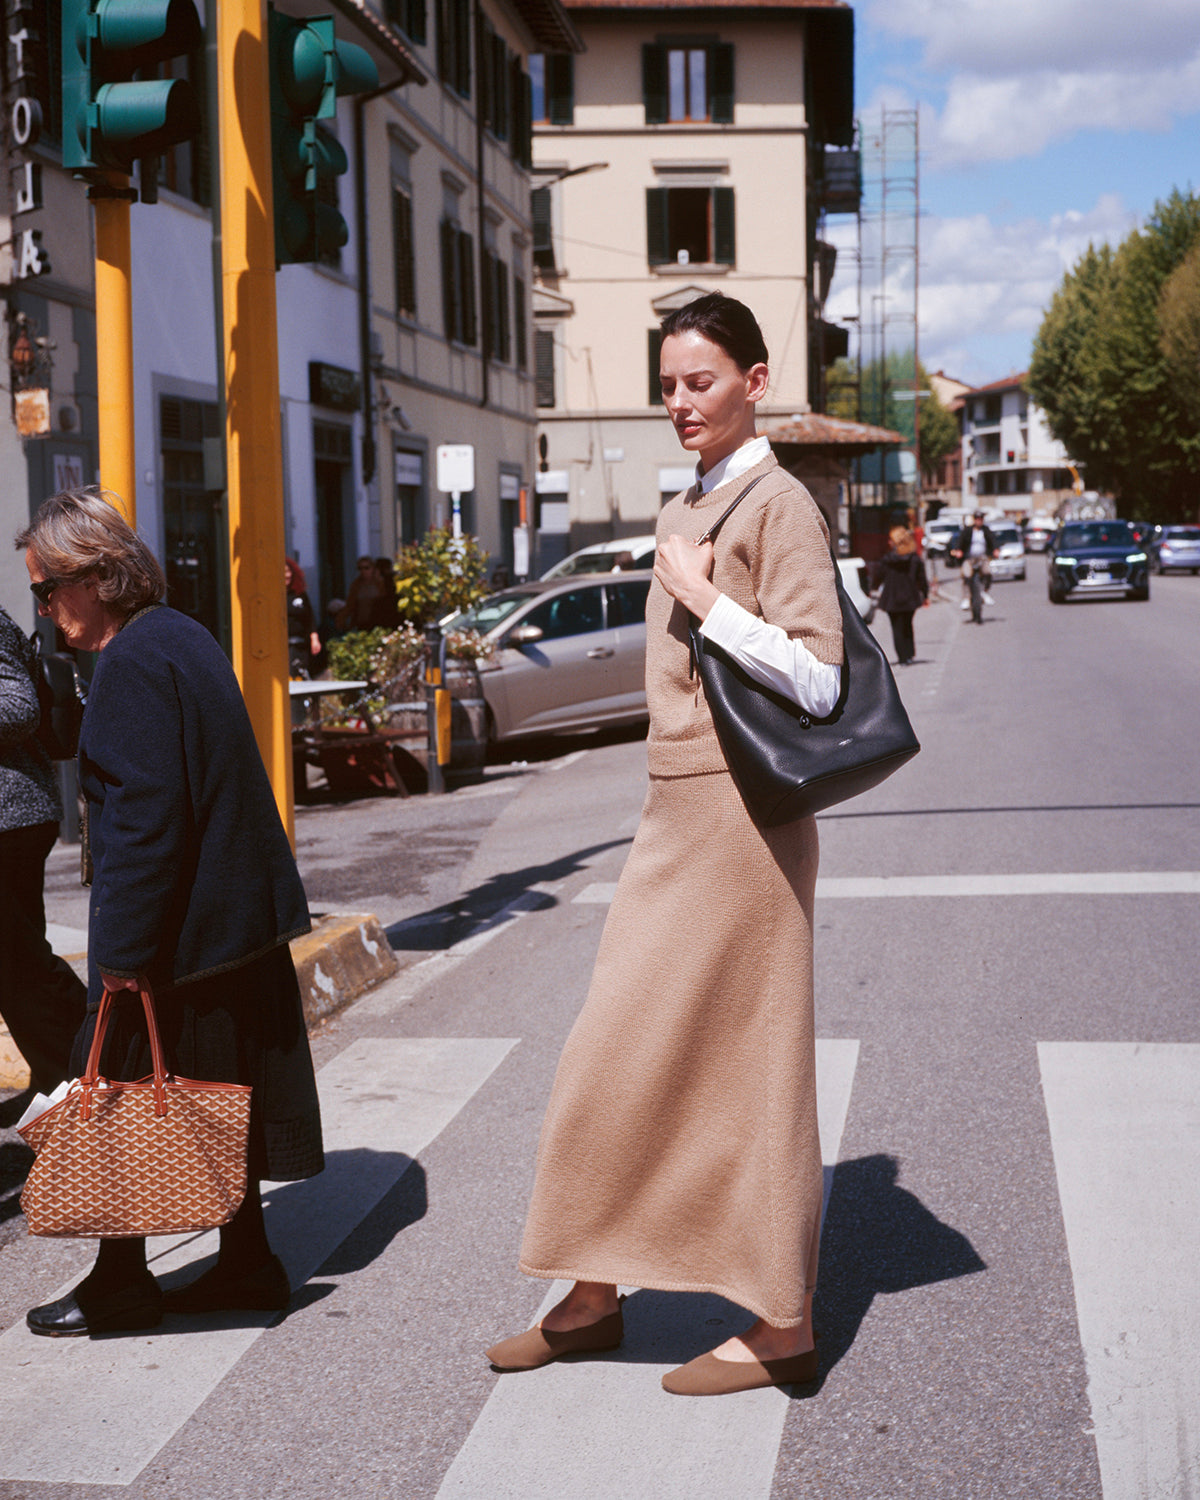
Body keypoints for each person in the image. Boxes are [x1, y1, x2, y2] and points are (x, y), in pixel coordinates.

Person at [486, 292, 843, 1396]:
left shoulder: (777, 503)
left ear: (755, 379)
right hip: (677, 812)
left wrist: (705, 599)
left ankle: (782, 1324)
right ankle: (593, 1293)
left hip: (742, 821)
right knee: (620, 1049)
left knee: (746, 1066)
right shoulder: (699, 494)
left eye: (701, 380)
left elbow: (821, 678)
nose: (679, 401)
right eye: (671, 381)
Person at [17, 489, 324, 1338]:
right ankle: (247, 1264)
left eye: (48, 590)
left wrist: (119, 952)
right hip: (232, 926)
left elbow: (149, 817)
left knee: (119, 1098)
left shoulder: (129, 665)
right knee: (210, 1097)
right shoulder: (181, 636)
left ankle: (122, 1282)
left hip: (183, 935)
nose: (44, 612)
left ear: (96, 578)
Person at [0, 604, 87, 1093]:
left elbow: (18, 707)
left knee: (20, 964)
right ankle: (59, 1079)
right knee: (15, 965)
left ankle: (92, 1071)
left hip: (10, 818)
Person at [871, 525, 929, 665]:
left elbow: (879, 576)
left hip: (892, 598)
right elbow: (921, 578)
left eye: (891, 540)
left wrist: (873, 588)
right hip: (910, 597)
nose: (889, 542)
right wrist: (925, 595)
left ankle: (902, 657)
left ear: (896, 541)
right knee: (907, 625)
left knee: (896, 628)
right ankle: (909, 654)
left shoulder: (888, 560)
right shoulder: (914, 559)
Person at [949, 510, 997, 609]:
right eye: (977, 519)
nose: (979, 521)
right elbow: (960, 541)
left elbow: (993, 540)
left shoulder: (986, 530)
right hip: (969, 558)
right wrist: (958, 551)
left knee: (988, 572)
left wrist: (996, 550)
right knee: (966, 575)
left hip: (982, 558)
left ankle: (985, 592)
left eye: (981, 519)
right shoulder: (968, 531)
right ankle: (966, 598)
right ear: (974, 520)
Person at [284, 557, 321, 678]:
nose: (286, 575)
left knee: (302, 674)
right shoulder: (275, 595)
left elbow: (310, 617)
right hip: (284, 645)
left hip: (300, 644)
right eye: (283, 572)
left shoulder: (299, 594)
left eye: (288, 571)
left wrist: (314, 638)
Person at [338, 556, 389, 631]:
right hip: (361, 623)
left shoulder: (380, 583)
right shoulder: (356, 585)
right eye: (360, 568)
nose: (363, 571)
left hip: (379, 622)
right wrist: (341, 620)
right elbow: (350, 604)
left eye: (366, 568)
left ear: (373, 569)